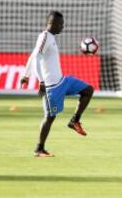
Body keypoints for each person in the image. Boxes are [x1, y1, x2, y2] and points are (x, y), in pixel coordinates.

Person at [20, 11, 94, 157]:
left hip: (62, 81)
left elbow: (33, 54)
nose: (63, 26)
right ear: (52, 24)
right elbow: (36, 58)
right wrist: (40, 80)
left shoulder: (50, 37)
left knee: (88, 90)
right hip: (51, 87)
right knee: (50, 117)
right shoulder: (45, 36)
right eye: (61, 24)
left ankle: (75, 121)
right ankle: (39, 149)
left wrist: (25, 74)